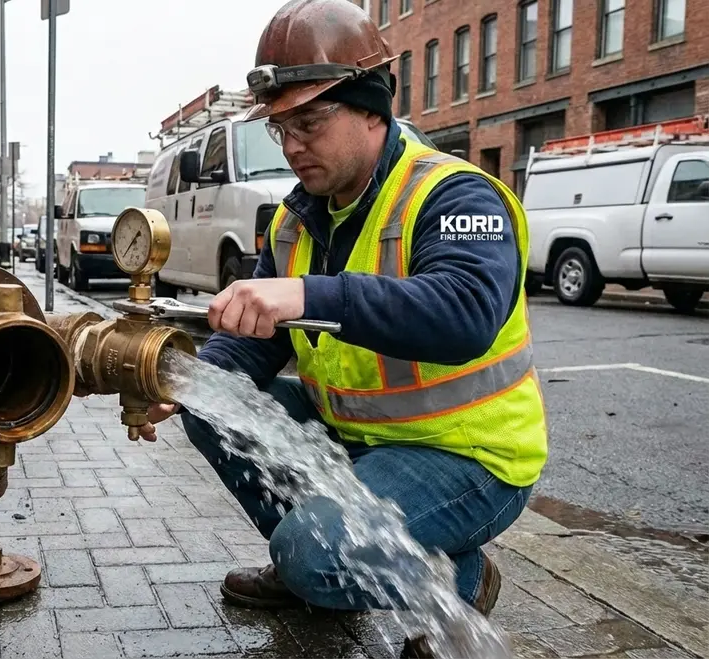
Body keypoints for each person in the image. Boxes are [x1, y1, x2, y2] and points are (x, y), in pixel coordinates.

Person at [137, 0, 549, 656]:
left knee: (310, 552)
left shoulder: (456, 195)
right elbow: (258, 337)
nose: (293, 143)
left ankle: (453, 573)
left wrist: (304, 293)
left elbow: (465, 312)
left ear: (370, 107)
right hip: (365, 439)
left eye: (310, 120)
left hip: (466, 457)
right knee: (211, 406)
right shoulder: (296, 218)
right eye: (281, 127)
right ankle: (326, 562)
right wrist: (188, 379)